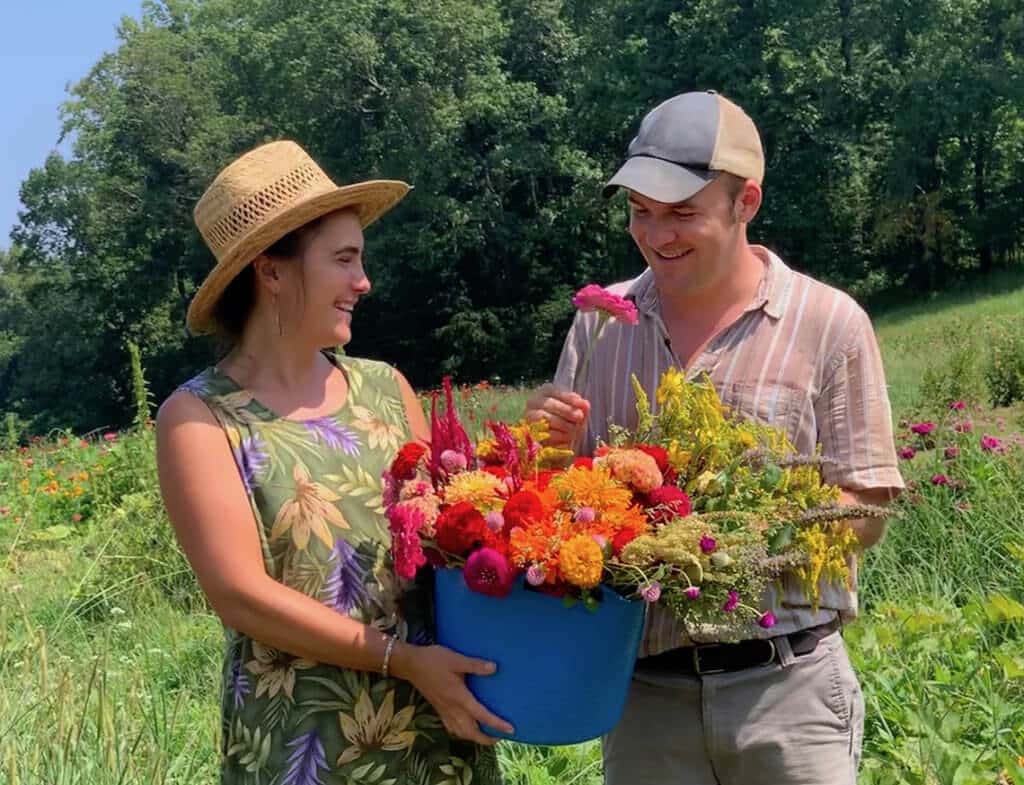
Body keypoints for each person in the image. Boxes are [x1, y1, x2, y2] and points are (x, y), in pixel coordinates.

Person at [525, 91, 904, 784]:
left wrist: (742, 542)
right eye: (640, 211)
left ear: (746, 202)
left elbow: (869, 502)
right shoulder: (600, 326)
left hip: (787, 694)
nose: (656, 233)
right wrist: (545, 449)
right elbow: (560, 506)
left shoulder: (827, 323)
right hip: (646, 702)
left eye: (681, 213)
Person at [157, 140, 510, 784]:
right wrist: (400, 660)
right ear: (271, 271)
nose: (363, 282)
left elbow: (455, 538)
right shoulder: (201, 419)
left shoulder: (386, 389)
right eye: (343, 260)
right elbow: (240, 596)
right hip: (304, 745)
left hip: (438, 724)